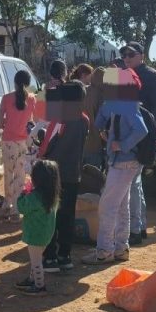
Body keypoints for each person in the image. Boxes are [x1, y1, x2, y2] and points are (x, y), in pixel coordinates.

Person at [84, 68, 147, 265]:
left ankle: (104, 251)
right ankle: (120, 248)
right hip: (126, 161)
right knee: (121, 206)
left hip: (122, 161)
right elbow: (101, 122)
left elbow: (141, 130)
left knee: (107, 206)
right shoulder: (124, 103)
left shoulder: (124, 104)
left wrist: (122, 145)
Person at [120, 42, 156, 244]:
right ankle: (139, 226)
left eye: (131, 54)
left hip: (142, 136)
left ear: (142, 55)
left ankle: (135, 229)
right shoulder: (121, 74)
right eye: (124, 54)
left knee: (131, 184)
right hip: (124, 135)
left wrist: (145, 129)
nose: (126, 58)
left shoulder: (153, 76)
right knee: (135, 184)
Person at [41, 81, 89, 273]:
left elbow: (46, 145)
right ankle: (65, 256)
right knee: (67, 215)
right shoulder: (84, 119)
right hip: (73, 173)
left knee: (50, 213)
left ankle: (50, 257)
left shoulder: (60, 118)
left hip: (53, 172)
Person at [17, 159, 61, 295]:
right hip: (46, 234)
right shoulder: (52, 196)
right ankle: (32, 280)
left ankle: (39, 286)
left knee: (36, 262)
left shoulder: (35, 197)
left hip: (35, 234)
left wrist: (23, 194)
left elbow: (21, 207)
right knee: (36, 258)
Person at [0, 70, 36, 220]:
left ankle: (7, 204)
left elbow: (0, 122)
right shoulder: (32, 99)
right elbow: (31, 121)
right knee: (20, 175)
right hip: (23, 142)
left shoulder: (6, 98)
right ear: (28, 83)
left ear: (15, 82)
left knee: (8, 173)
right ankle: (17, 209)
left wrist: (7, 124)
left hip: (8, 140)